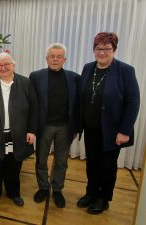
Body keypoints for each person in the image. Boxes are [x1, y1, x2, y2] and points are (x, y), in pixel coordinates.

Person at [77, 32, 140, 214]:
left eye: (107, 48)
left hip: (112, 131)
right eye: (98, 48)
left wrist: (124, 131)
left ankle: (103, 198)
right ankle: (91, 192)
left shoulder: (125, 70)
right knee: (92, 164)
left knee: (107, 166)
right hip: (91, 128)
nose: (102, 52)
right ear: (94, 50)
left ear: (114, 50)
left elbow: (133, 102)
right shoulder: (88, 68)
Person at [0, 52, 38, 206]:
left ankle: (13, 193)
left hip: (17, 133)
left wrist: (32, 130)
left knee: (14, 165)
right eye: (0, 65)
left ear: (13, 65)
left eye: (7, 64)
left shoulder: (25, 83)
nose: (3, 68)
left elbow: (34, 109)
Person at [29, 43, 79, 208]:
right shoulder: (36, 76)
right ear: (47, 59)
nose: (55, 59)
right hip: (44, 127)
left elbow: (78, 105)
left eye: (59, 56)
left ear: (65, 59)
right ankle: (43, 188)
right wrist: (32, 128)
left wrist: (76, 128)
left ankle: (57, 189)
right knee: (41, 160)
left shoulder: (74, 78)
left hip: (65, 127)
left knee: (61, 161)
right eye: (52, 56)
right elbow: (32, 104)